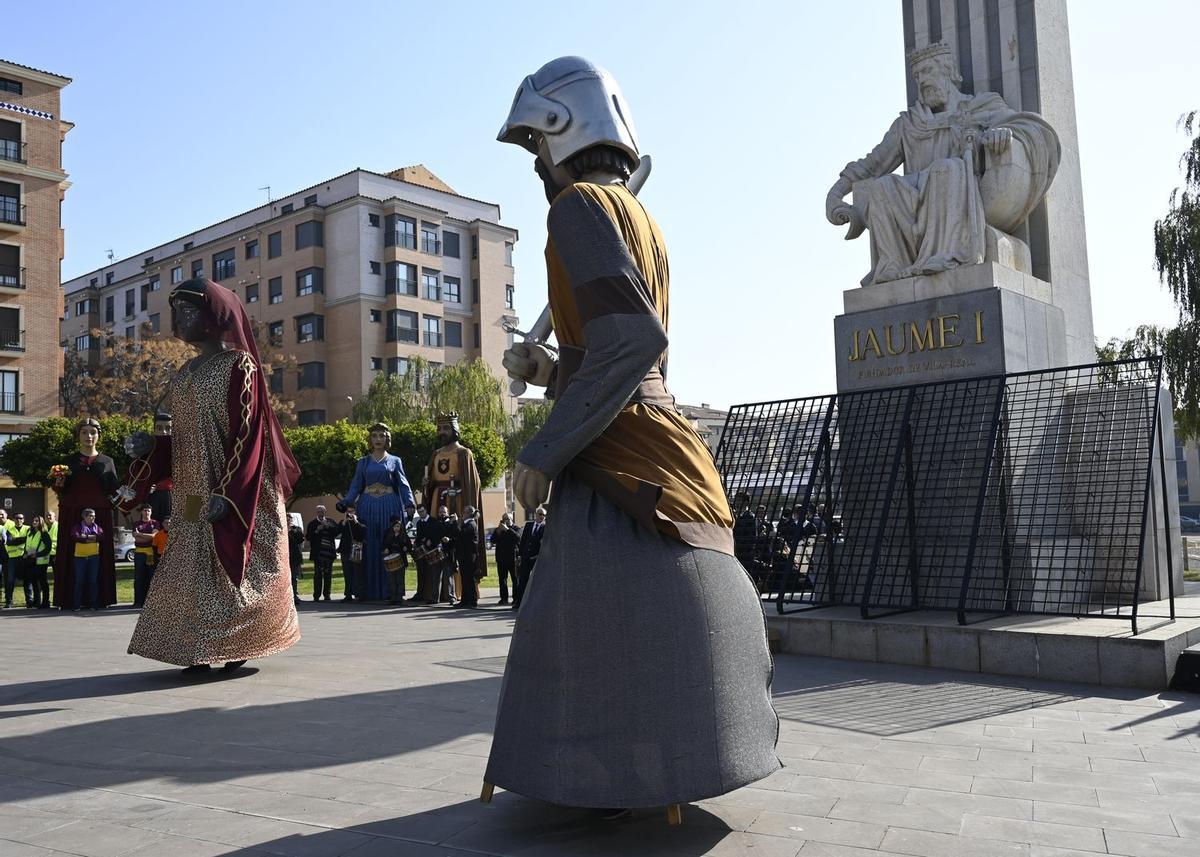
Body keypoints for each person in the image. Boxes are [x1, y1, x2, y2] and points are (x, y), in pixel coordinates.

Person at [487, 57, 778, 812]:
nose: (536, 166)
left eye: (533, 147)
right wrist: (551, 370)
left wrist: (544, 450)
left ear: (560, 130)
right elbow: (619, 349)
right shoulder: (636, 213)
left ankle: (607, 772)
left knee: (584, 609)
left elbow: (631, 342)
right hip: (656, 427)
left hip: (618, 451)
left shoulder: (578, 206)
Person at [120, 277, 301, 673]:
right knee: (189, 570)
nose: (179, 320)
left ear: (214, 314)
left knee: (233, 566)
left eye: (189, 311)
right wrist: (149, 447)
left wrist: (230, 492)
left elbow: (249, 433)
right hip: (189, 492)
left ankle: (239, 641)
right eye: (176, 313)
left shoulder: (241, 365)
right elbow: (175, 435)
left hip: (236, 490)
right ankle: (195, 647)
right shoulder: (183, 373)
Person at [825, 41, 1060, 286]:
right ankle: (892, 265)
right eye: (917, 76)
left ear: (948, 72)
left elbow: (1023, 126)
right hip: (915, 194)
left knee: (946, 169)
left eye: (927, 72)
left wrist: (1004, 134)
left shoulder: (978, 106)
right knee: (882, 186)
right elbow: (872, 164)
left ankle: (946, 255)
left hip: (960, 187)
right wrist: (837, 192)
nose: (922, 81)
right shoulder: (909, 123)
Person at [338, 422, 414, 601]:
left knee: (390, 545)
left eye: (382, 435)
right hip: (367, 508)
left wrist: (410, 503)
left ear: (387, 439)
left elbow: (403, 484)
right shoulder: (363, 462)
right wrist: (347, 501)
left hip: (389, 506)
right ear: (370, 439)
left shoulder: (395, 461)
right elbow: (355, 485)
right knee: (368, 546)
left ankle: (392, 592)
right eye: (374, 436)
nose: (378, 439)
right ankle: (365, 591)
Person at [52, 417, 119, 611]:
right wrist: (58, 484)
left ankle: (100, 599)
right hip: (71, 512)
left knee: (100, 557)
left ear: (98, 435)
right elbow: (60, 489)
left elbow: (114, 490)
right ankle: (69, 599)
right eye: (84, 432)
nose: (88, 436)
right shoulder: (68, 462)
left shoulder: (108, 461)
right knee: (70, 555)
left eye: (92, 432)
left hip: (101, 514)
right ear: (78, 435)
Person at [422, 413, 486, 600]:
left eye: (446, 428)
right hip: (437, 500)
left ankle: (460, 590)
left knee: (457, 543)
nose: (442, 432)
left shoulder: (464, 453)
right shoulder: (436, 454)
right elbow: (432, 480)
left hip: (457, 500)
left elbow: (471, 484)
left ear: (455, 429)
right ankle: (435, 591)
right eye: (440, 428)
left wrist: (461, 497)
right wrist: (426, 483)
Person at [513, 506, 546, 610]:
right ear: (536, 514)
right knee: (523, 580)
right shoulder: (529, 525)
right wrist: (520, 555)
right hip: (526, 557)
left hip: (537, 558)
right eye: (540, 514)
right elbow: (523, 541)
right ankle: (519, 603)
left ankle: (536, 604)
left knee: (537, 581)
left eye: (544, 515)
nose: (542, 517)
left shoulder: (546, 527)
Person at [71, 508, 103, 612]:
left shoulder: (97, 527)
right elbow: (77, 537)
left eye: (94, 516)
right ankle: (77, 605)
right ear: (84, 517)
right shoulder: (78, 526)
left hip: (94, 557)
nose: (93, 518)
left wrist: (86, 537)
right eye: (91, 516)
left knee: (93, 581)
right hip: (80, 557)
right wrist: (92, 538)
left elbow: (101, 537)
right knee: (79, 582)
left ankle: (93, 604)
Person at [131, 504, 162, 608]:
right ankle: (138, 602)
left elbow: (154, 537)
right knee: (138, 577)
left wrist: (141, 534)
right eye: (144, 510)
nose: (146, 512)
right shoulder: (136, 524)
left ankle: (151, 602)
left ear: (151, 512)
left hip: (150, 553)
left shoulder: (155, 523)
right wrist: (147, 536)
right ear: (141, 512)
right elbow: (137, 539)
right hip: (139, 553)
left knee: (151, 577)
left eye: (148, 511)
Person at [306, 505, 339, 602]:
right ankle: (316, 596)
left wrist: (328, 526)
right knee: (318, 575)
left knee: (328, 574)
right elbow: (308, 537)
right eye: (319, 511)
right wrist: (317, 530)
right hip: (318, 554)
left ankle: (327, 595)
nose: (321, 513)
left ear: (325, 512)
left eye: (322, 511)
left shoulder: (330, 521)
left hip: (329, 553)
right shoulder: (312, 523)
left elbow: (337, 532)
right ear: (316, 512)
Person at [147, 412, 174, 524]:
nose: (164, 432)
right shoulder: (146, 450)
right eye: (159, 428)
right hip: (152, 497)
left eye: (168, 428)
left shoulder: (179, 450)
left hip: (173, 497)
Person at [454, 505, 481, 609]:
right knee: (465, 579)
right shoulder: (467, 524)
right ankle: (465, 600)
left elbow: (461, 535)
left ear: (468, 513)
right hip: (464, 555)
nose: (462, 514)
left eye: (464, 512)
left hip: (469, 556)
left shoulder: (470, 524)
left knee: (470, 579)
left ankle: (473, 601)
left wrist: (456, 523)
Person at [338, 504, 367, 602]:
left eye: (352, 511)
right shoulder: (344, 522)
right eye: (348, 512)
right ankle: (348, 594)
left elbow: (363, 533)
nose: (350, 514)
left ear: (355, 512)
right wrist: (344, 521)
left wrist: (356, 521)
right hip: (345, 550)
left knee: (358, 573)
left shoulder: (359, 522)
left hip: (356, 549)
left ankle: (360, 594)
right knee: (347, 573)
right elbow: (337, 531)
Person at [4, 510, 31, 608]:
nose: (18, 520)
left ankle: (29, 602)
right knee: (10, 581)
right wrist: (24, 539)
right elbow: (10, 542)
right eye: (17, 518)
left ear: (23, 520)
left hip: (25, 558)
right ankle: (9, 602)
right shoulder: (9, 530)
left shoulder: (28, 528)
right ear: (13, 520)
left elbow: (31, 541)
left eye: (21, 518)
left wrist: (17, 540)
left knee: (27, 580)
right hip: (12, 559)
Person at [492, 513, 520, 606]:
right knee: (502, 579)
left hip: (513, 558)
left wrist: (508, 529)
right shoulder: (499, 530)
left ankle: (516, 598)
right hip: (501, 559)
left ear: (512, 519)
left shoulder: (516, 529)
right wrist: (498, 532)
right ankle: (503, 598)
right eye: (504, 519)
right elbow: (492, 540)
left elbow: (517, 538)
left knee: (515, 579)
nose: (506, 520)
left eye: (508, 518)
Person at [382, 515, 411, 605]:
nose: (396, 528)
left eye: (398, 526)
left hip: (400, 560)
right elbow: (384, 544)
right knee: (392, 580)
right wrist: (385, 548)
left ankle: (399, 597)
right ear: (392, 527)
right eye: (395, 526)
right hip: (391, 560)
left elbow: (409, 545)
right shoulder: (388, 534)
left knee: (399, 579)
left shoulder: (404, 535)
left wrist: (406, 547)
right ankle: (393, 597)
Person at [26, 515, 52, 609]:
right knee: (34, 583)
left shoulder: (44, 533)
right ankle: (37, 602)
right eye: (33, 521)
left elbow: (48, 548)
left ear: (41, 522)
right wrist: (27, 554)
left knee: (42, 583)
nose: (34, 522)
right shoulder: (31, 533)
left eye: (37, 521)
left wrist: (37, 554)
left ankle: (46, 602)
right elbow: (30, 546)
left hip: (41, 562)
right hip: (32, 561)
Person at [287, 512, 304, 606]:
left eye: (289, 519)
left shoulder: (297, 529)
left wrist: (292, 530)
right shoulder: (281, 529)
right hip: (285, 558)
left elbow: (301, 539)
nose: (288, 521)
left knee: (294, 578)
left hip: (295, 558)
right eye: (286, 519)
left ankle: (294, 596)